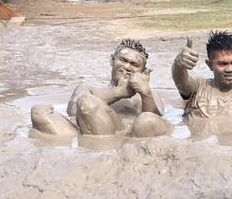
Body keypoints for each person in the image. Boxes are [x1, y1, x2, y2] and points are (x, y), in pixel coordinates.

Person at [31, 39, 171, 138]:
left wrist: (145, 93)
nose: (127, 67)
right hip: (87, 131)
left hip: (126, 135)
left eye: (134, 64)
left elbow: (155, 120)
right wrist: (117, 93)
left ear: (142, 70)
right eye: (122, 60)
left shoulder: (147, 95)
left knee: (146, 120)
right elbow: (73, 111)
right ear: (112, 60)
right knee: (39, 112)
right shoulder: (89, 88)